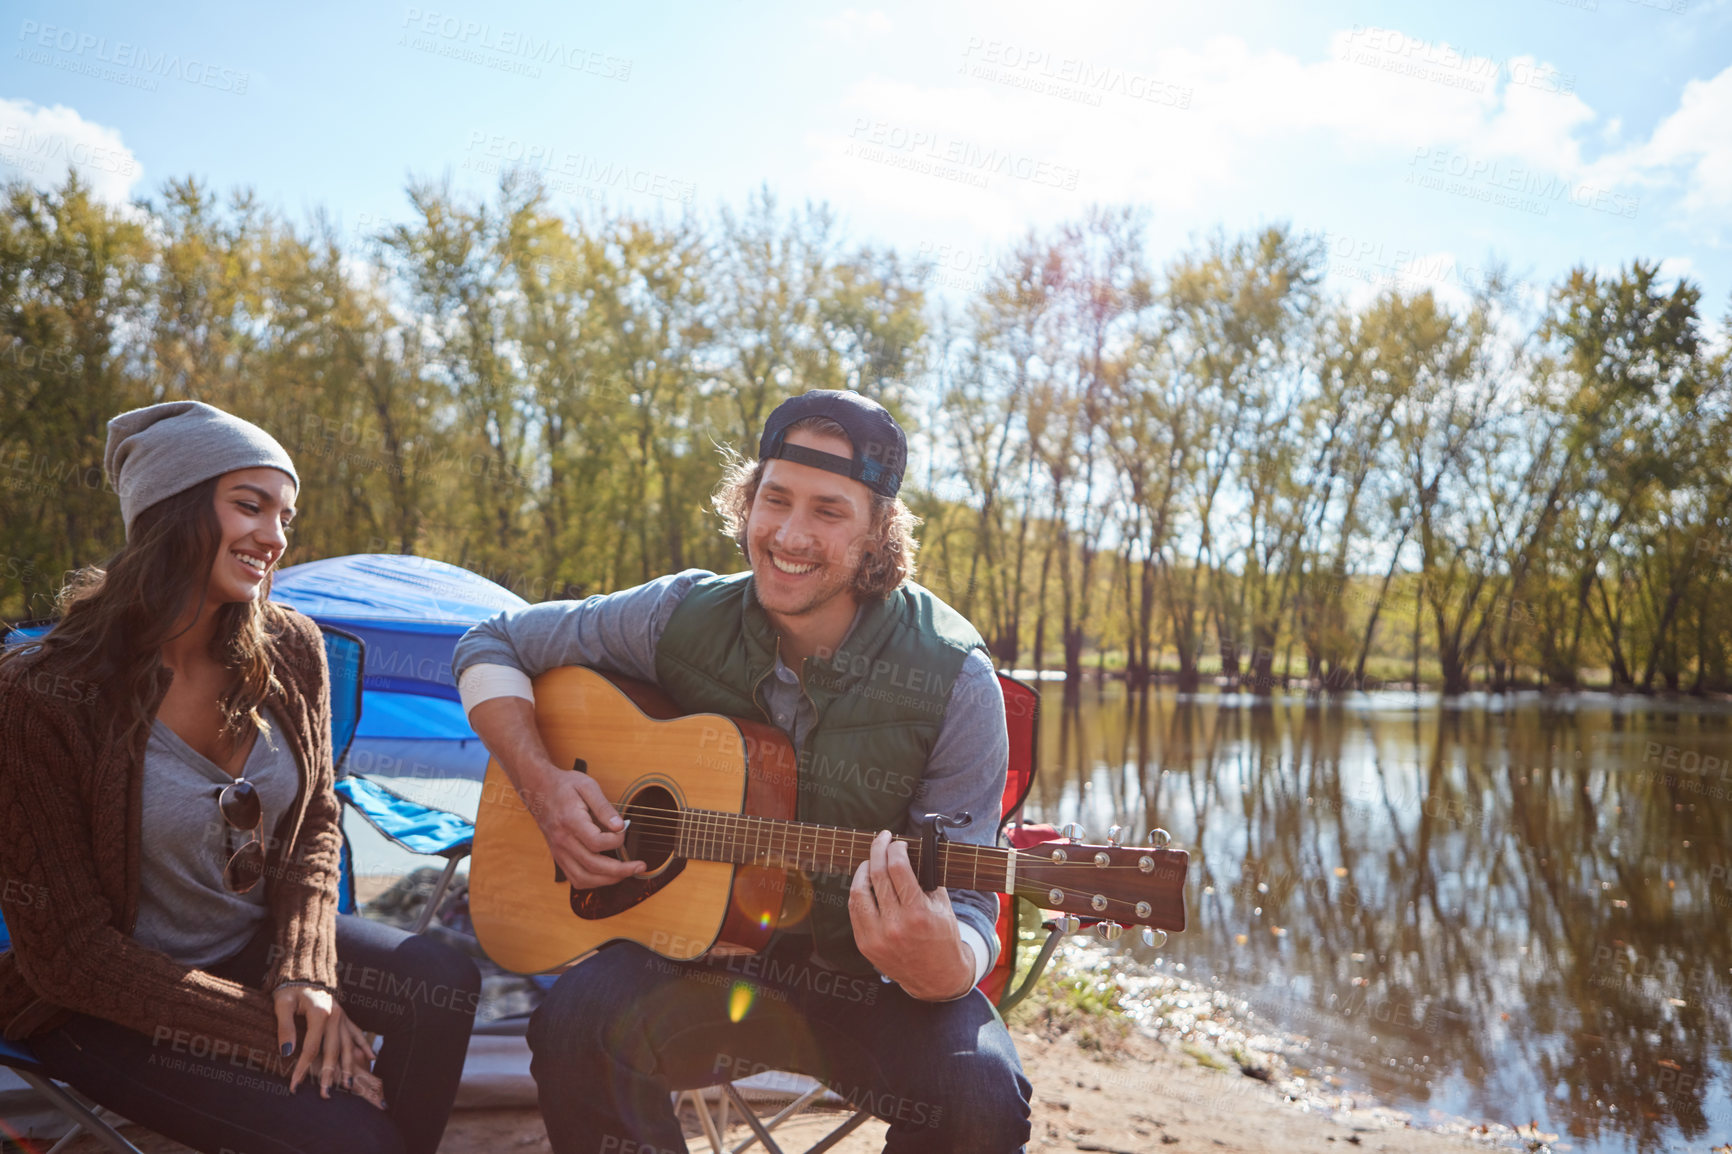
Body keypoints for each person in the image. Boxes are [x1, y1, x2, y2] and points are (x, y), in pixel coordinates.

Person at [455, 389, 1032, 1154]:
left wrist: (947, 963)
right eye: (775, 498)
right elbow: (487, 643)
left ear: (876, 536)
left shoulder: (954, 680)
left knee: (983, 1096)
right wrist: (544, 784)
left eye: (829, 510)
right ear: (747, 502)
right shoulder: (677, 615)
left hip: (868, 989)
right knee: (577, 1025)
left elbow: (966, 905)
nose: (789, 534)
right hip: (697, 970)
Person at [0, 401, 480, 1154]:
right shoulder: (46, 694)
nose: (275, 537)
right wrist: (279, 1031)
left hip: (250, 948)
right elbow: (69, 958)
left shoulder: (291, 648)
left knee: (441, 981)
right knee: (352, 1137)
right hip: (99, 1006)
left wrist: (305, 976)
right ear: (171, 511)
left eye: (285, 515)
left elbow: (317, 820)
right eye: (249, 506)